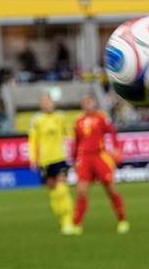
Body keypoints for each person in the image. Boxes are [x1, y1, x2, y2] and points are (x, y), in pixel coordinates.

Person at [70, 94, 129, 235]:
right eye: (84, 102)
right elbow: (76, 142)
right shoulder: (78, 121)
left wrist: (116, 148)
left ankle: (122, 220)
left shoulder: (101, 117)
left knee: (110, 189)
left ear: (94, 103)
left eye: (89, 102)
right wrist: (73, 160)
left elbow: (112, 132)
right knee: (81, 191)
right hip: (84, 158)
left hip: (99, 156)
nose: (87, 104)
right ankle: (76, 224)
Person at [28, 92, 74, 235]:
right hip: (44, 160)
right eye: (43, 102)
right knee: (53, 193)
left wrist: (74, 153)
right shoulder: (36, 120)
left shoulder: (61, 117)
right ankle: (61, 218)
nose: (46, 104)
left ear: (53, 103)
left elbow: (71, 135)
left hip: (60, 157)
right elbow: (33, 141)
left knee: (62, 189)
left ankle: (68, 221)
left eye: (48, 101)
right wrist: (33, 158)